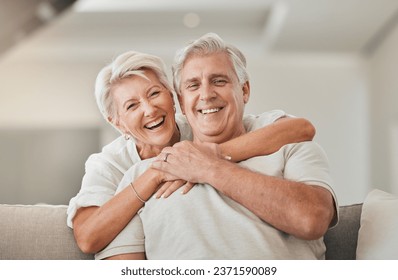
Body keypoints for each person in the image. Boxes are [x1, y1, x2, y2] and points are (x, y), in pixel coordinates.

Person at [106, 33, 338, 259]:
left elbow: (312, 220)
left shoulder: (289, 146)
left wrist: (210, 167)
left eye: (219, 81)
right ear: (181, 102)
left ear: (244, 90)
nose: (206, 94)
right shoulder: (141, 177)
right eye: (193, 85)